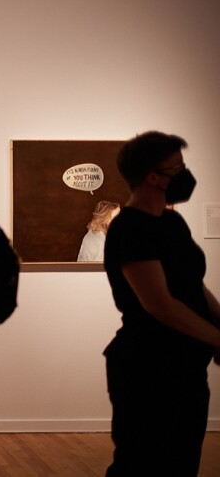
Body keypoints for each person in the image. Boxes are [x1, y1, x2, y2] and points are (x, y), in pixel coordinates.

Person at [102, 131, 220, 477]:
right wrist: (216, 338)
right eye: (177, 167)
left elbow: (192, 287)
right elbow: (160, 305)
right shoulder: (130, 229)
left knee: (181, 463)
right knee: (142, 464)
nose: (185, 175)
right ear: (153, 176)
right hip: (148, 369)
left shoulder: (172, 222)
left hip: (186, 367)